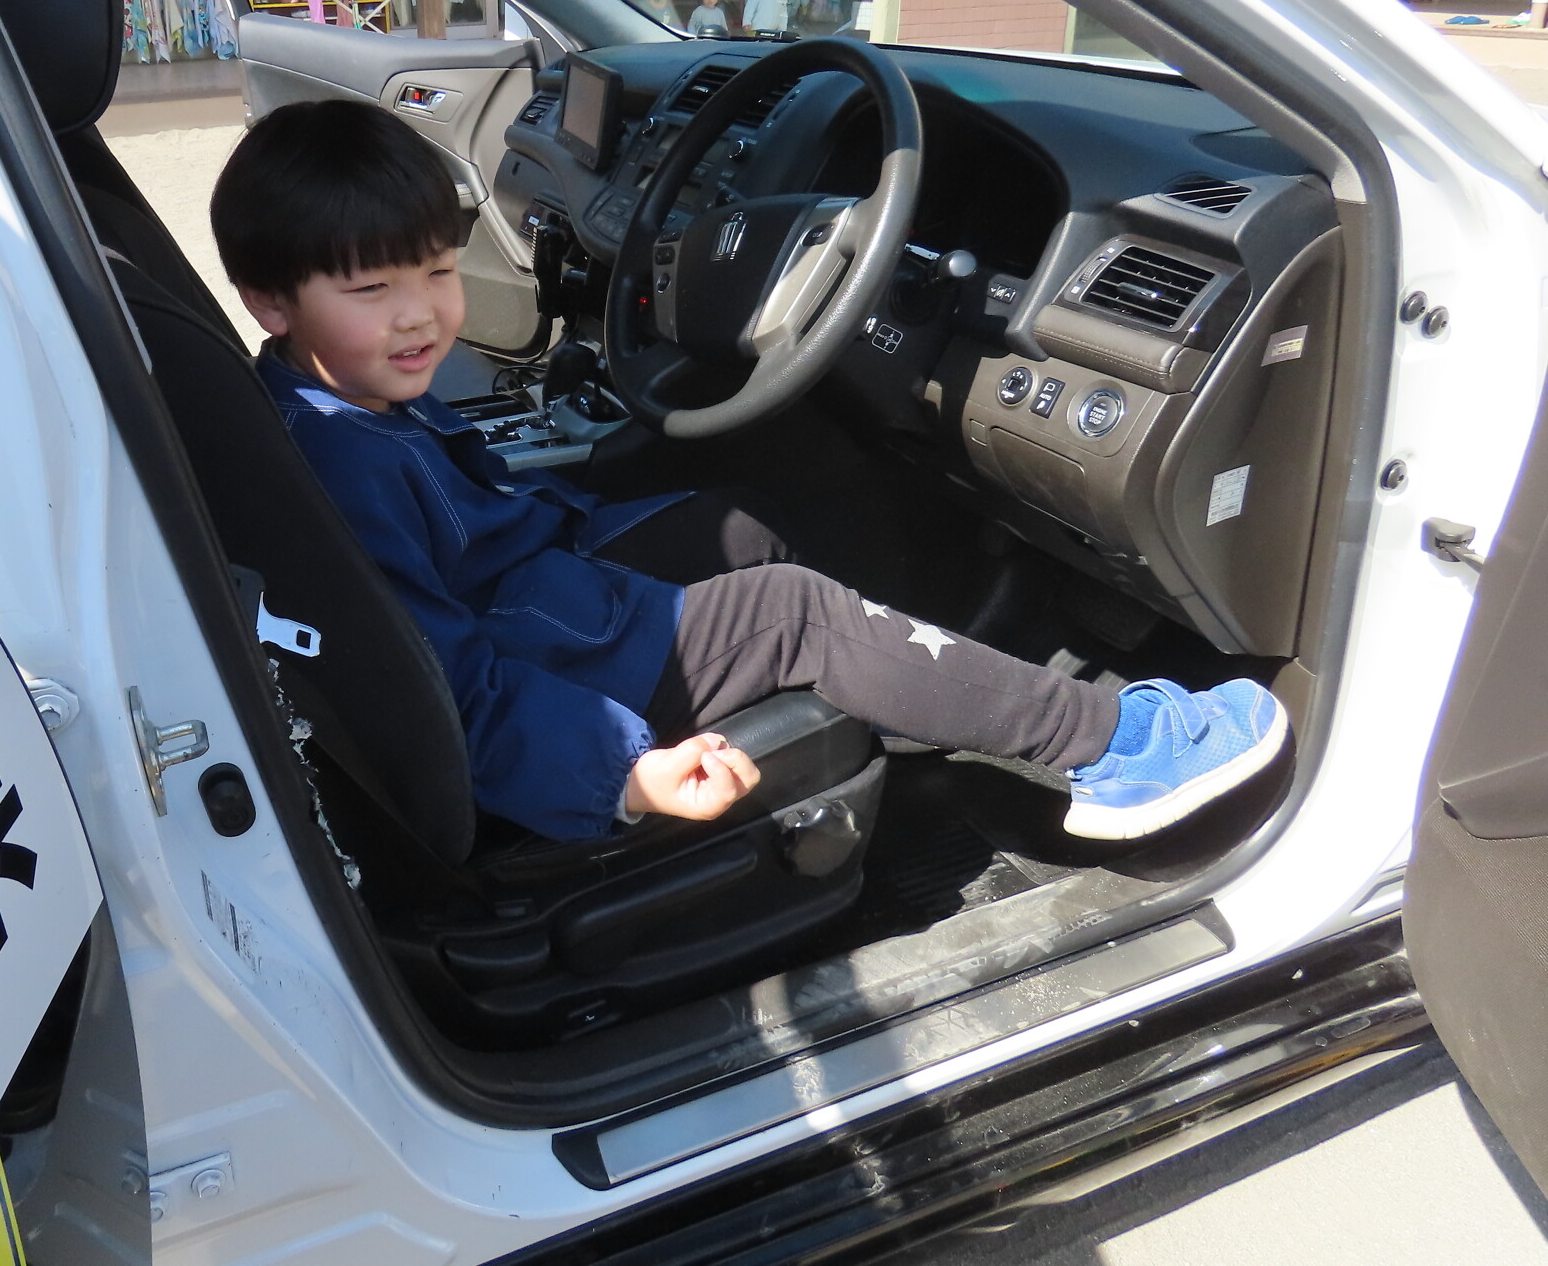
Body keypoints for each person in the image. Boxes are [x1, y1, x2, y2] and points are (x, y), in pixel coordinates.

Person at [210, 100, 1286, 845]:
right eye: (372, 291)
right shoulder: (345, 468)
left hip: (546, 594)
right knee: (794, 612)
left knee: (731, 522)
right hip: (546, 661)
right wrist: (619, 774)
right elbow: (448, 692)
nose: (420, 316)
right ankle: (1115, 749)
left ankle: (913, 690)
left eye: (439, 272)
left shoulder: (333, 400)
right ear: (270, 302)